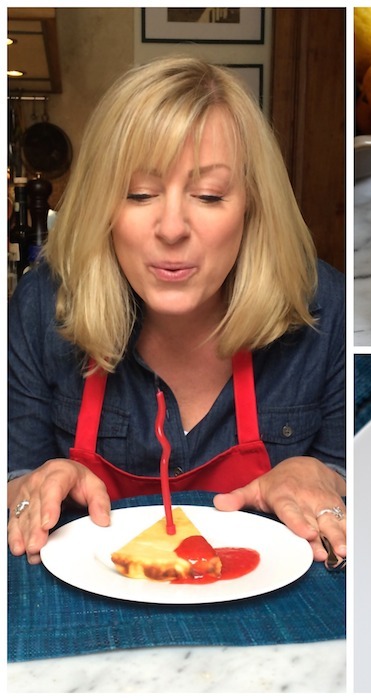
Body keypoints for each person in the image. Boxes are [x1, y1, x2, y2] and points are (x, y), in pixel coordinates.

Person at [7, 56, 346, 567]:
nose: (171, 228)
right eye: (139, 193)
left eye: (208, 195)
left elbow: (365, 483)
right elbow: (13, 480)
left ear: (251, 205)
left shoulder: (328, 309)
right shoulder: (42, 304)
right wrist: (30, 491)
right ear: (104, 206)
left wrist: (333, 483)